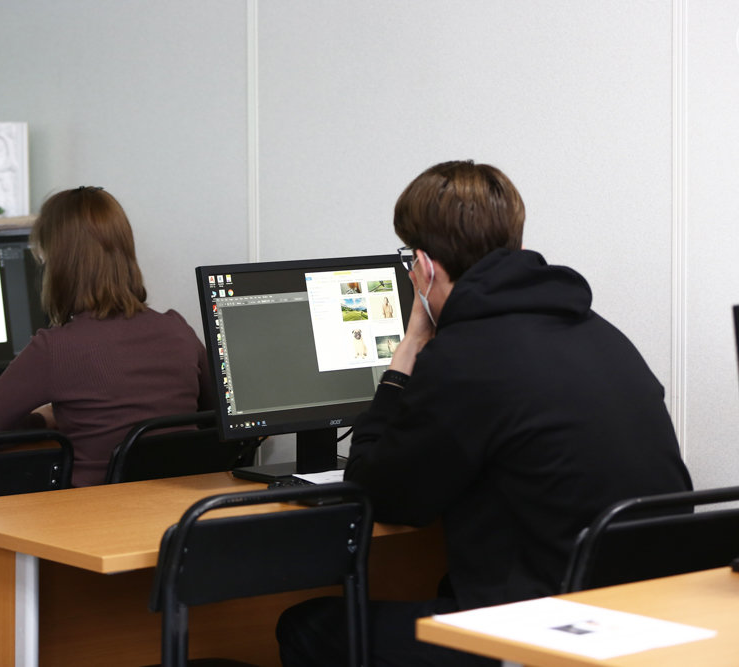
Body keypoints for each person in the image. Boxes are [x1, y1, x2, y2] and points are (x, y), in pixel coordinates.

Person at [276, 161, 692, 666]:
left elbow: (378, 493)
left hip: (547, 630)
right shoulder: (598, 331)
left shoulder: (466, 355)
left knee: (307, 627)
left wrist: (408, 349)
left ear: (424, 267)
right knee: (443, 581)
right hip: (646, 615)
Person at [0, 186, 214, 487]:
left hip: (91, 511)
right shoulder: (178, 330)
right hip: (178, 509)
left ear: (57, 264)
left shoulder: (55, 348)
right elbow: (215, 417)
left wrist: (44, 419)